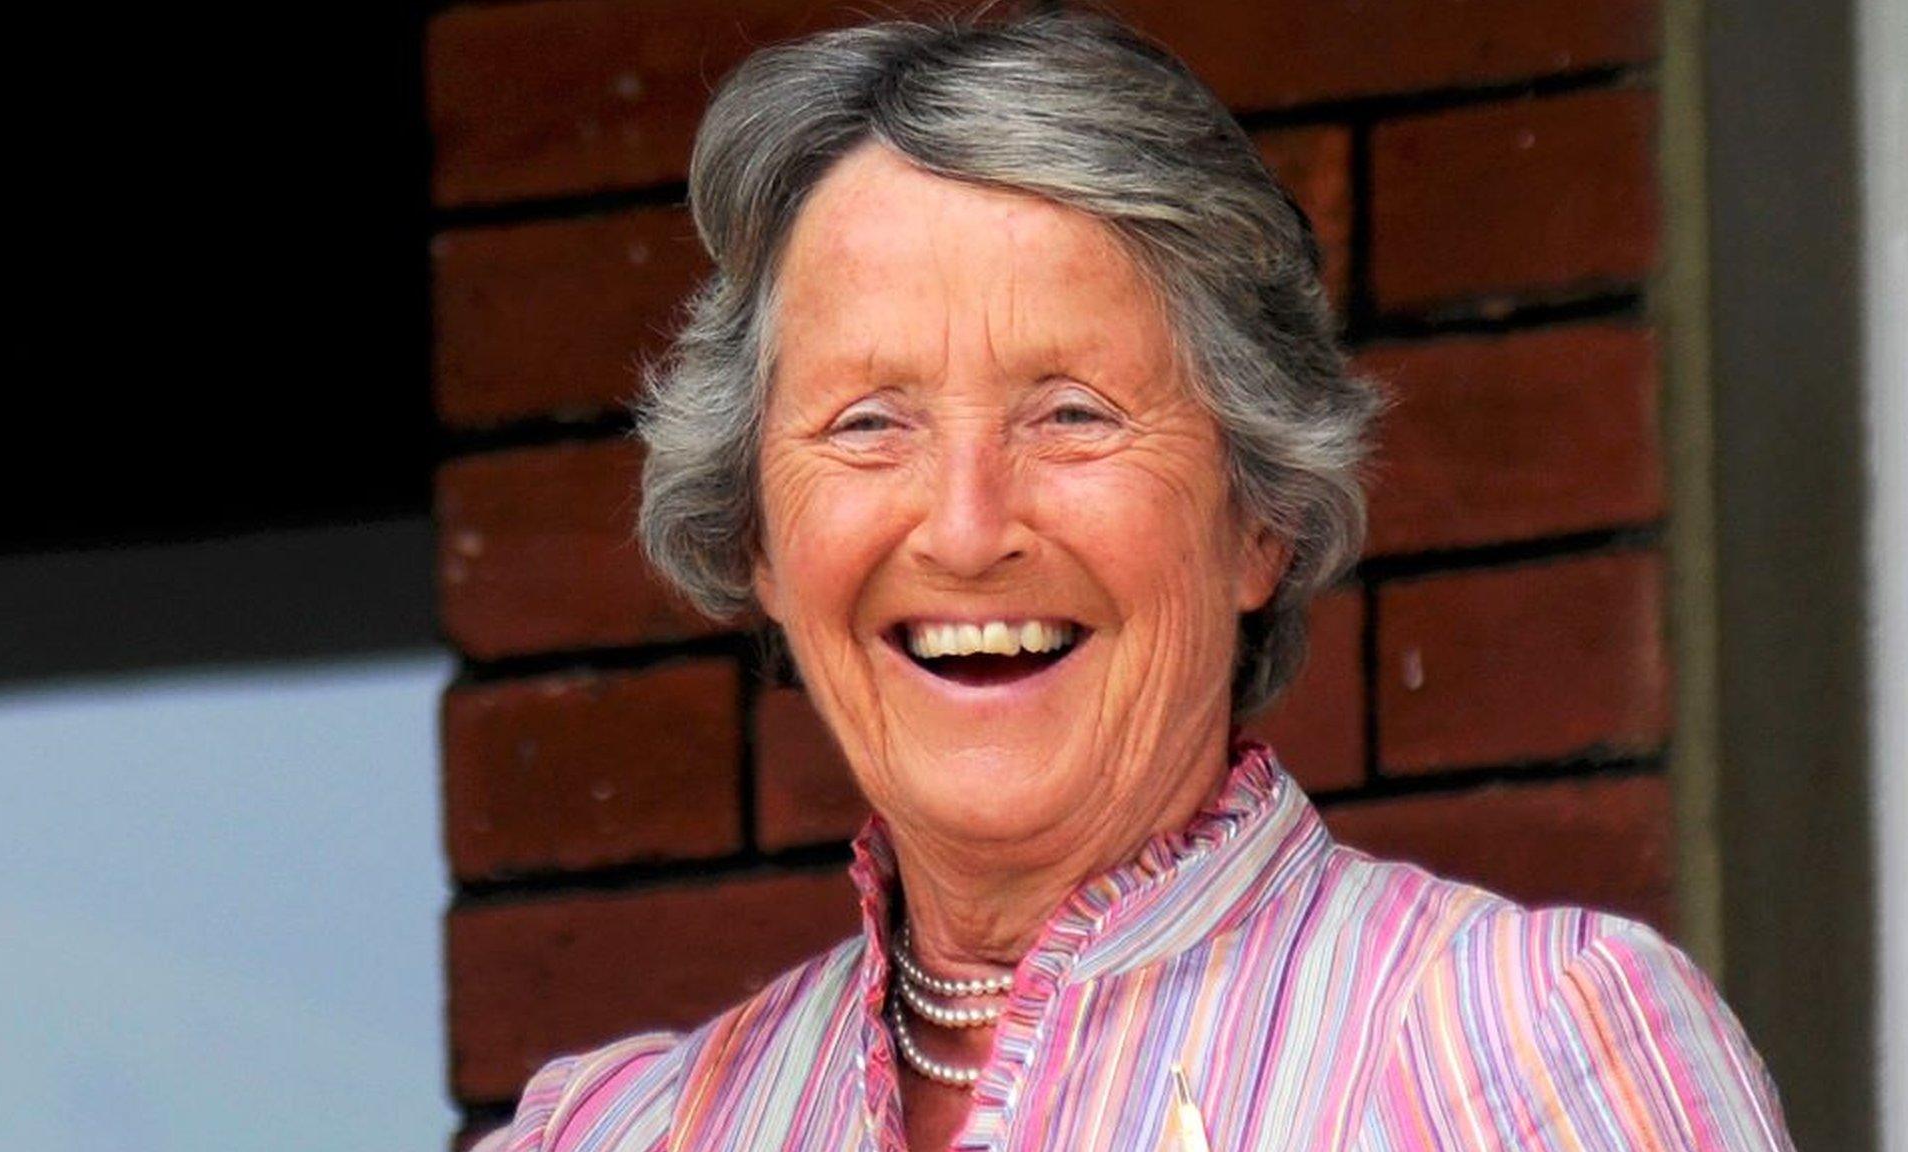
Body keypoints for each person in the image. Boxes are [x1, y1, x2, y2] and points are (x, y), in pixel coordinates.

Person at [473, 11, 1795, 1151]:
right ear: (760, 538)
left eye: (1073, 413)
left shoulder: (1513, 1050)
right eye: (870, 421)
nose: (967, 524)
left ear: (1259, 520)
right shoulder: (623, 1130)